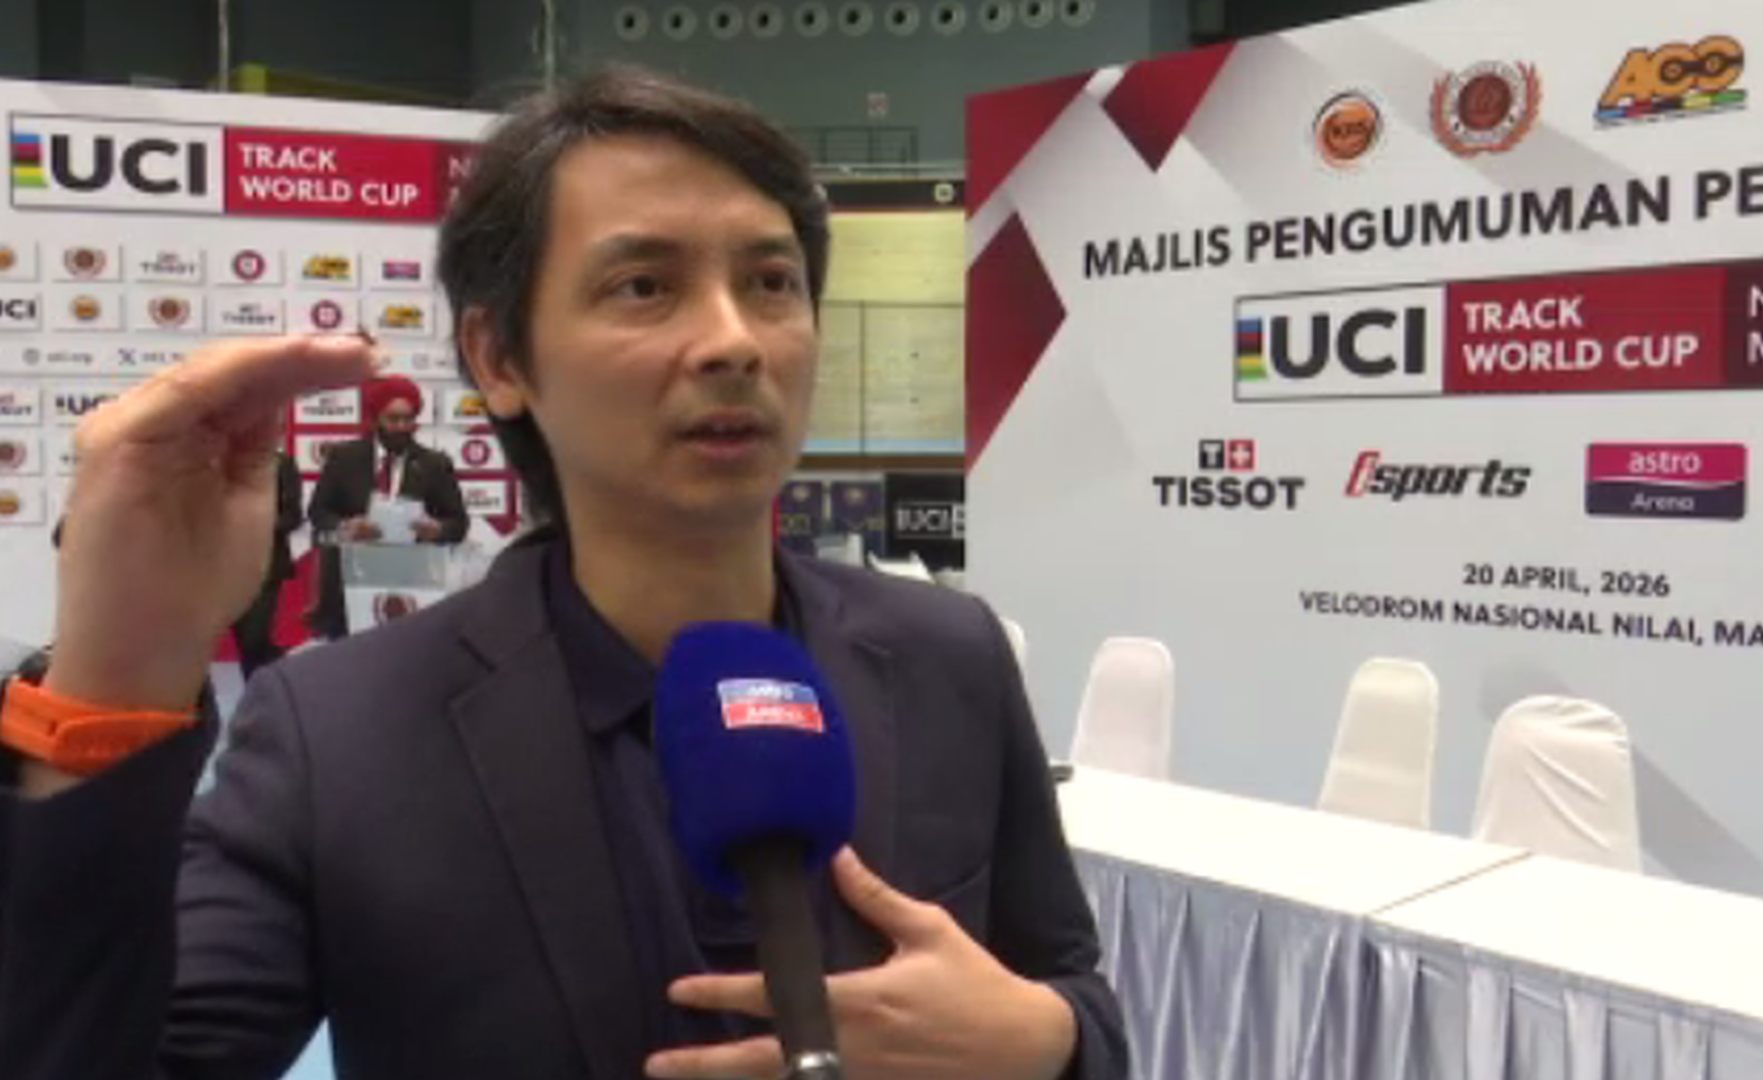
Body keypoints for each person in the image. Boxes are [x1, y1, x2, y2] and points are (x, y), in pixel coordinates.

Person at [0, 67, 1126, 1080]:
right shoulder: (338, 736)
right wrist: (113, 680)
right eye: (644, 286)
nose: (734, 340)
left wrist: (1044, 1042)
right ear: (499, 358)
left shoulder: (946, 655)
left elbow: (1069, 988)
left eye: (772, 282)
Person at [305, 374, 470, 639]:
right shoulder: (344, 457)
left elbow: (458, 524)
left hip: (411, 585)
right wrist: (346, 527)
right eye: (393, 419)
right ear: (375, 419)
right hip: (348, 583)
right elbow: (318, 512)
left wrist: (438, 530)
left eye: (408, 419)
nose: (402, 427)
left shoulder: (435, 464)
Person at [229, 450, 302, 677]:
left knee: (254, 639)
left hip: (267, 564)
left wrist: (258, 524)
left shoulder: (281, 464)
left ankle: (268, 687)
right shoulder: (214, 463)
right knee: (244, 643)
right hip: (223, 567)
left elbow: (293, 516)